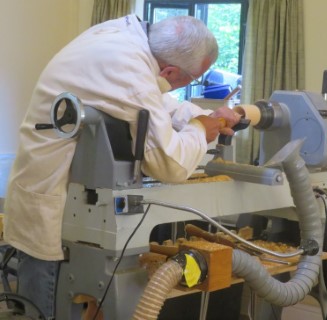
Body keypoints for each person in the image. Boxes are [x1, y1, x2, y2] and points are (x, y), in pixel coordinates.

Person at [4, 14, 240, 319]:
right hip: (52, 193)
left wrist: (209, 117)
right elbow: (170, 165)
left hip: (71, 191)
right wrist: (199, 130)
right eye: (189, 81)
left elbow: (155, 103)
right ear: (169, 70)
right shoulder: (127, 67)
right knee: (45, 309)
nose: (182, 86)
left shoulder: (127, 39)